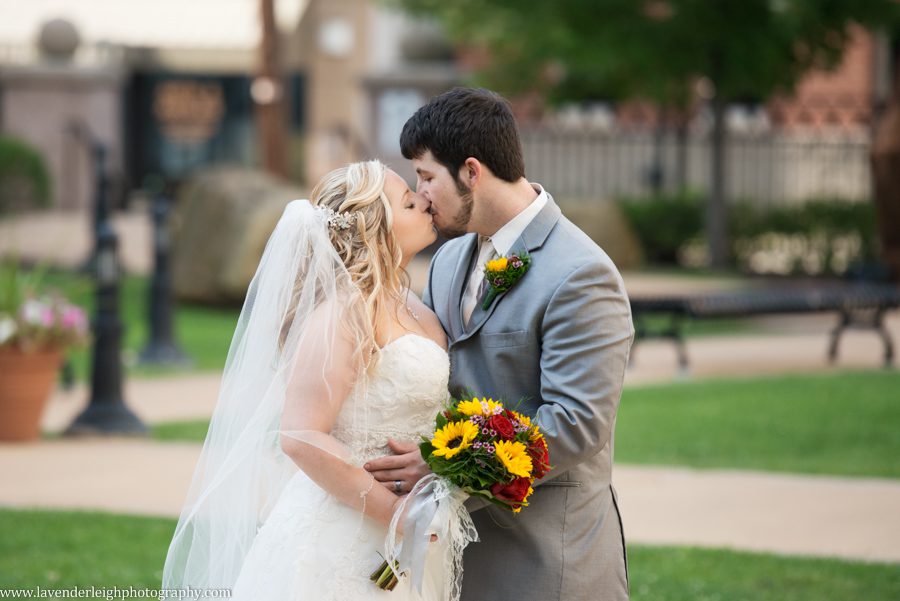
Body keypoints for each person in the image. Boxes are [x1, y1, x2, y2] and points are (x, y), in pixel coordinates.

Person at [365, 88, 634, 600]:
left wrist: (445, 467)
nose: (420, 196)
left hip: (546, 556)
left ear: (471, 171)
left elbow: (577, 423)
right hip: (453, 550)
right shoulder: (446, 261)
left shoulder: (581, 274)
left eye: (426, 177)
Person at [162, 160, 474, 600]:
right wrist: (398, 515)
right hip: (345, 535)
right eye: (408, 202)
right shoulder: (345, 313)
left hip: (414, 528)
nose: (424, 201)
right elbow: (301, 434)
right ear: (375, 228)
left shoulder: (413, 303)